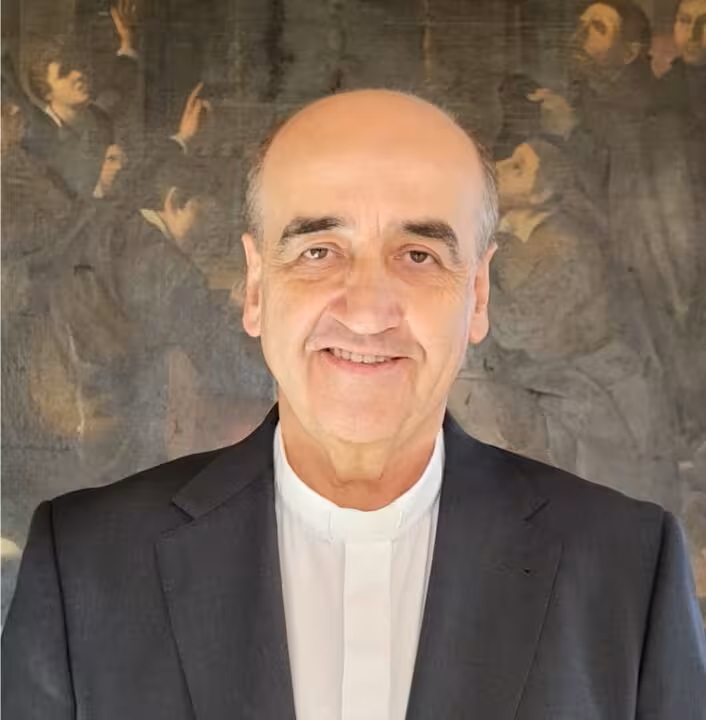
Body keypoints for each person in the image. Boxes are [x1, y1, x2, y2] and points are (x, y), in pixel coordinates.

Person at [2, 90, 705, 719]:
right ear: (256, 288)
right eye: (318, 251)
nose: (368, 311)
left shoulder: (629, 572)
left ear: (478, 295)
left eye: (419, 255)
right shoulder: (84, 567)